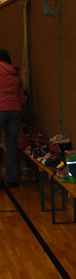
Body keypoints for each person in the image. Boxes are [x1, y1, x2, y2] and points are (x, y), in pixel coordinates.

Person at [0, 49, 25, 188]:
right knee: (11, 145)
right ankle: (11, 179)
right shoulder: (15, 72)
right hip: (15, 109)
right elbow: (21, 97)